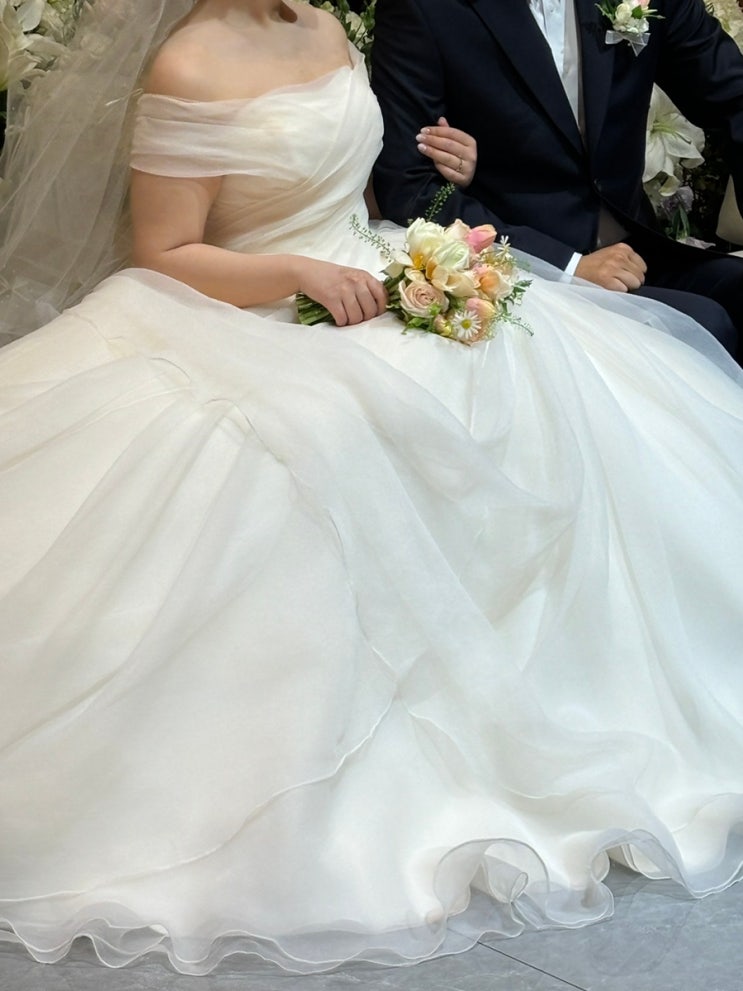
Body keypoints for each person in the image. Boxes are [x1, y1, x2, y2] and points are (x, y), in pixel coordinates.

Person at [0, 0, 742, 978]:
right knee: (338, 438)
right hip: (251, 310)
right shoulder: (187, 64)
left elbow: (366, 186)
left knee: (548, 373)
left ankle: (573, 694)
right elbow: (165, 256)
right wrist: (297, 270)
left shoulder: (320, 26)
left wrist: (442, 190)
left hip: (373, 269)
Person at [371, 0, 743, 357]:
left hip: (637, 249)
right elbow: (410, 187)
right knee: (707, 326)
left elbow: (733, 95)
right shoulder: (424, 8)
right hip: (528, 274)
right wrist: (566, 266)